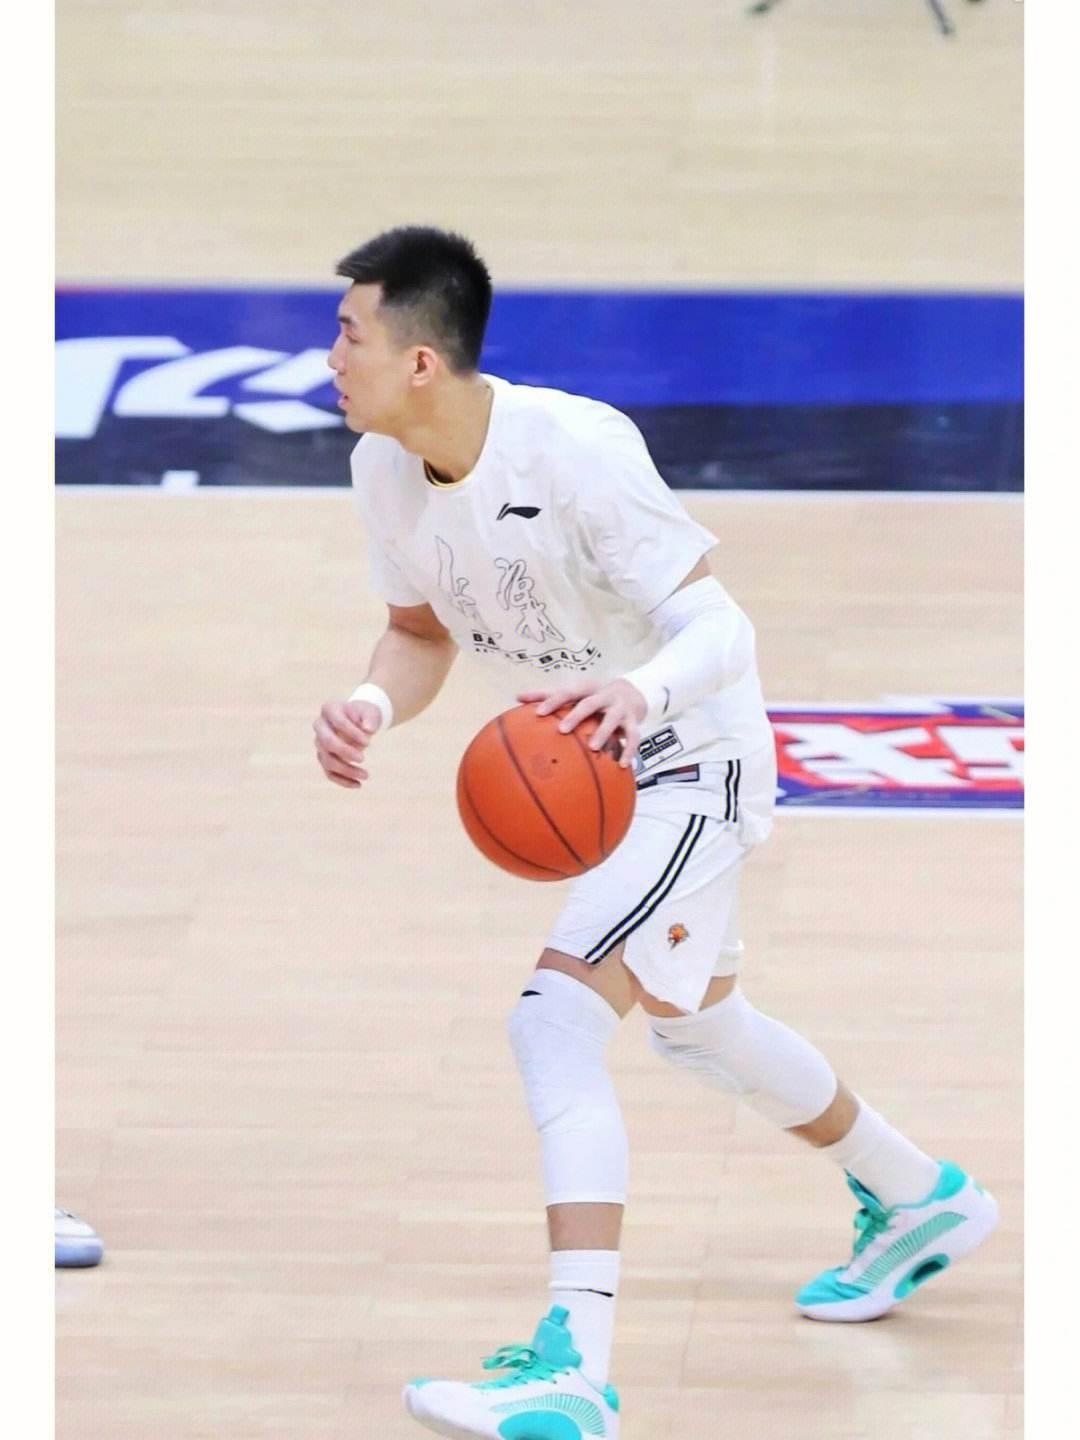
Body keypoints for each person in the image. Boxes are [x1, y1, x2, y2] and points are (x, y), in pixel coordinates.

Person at [315, 226, 998, 1440]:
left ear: (421, 359)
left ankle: (573, 1370)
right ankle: (919, 1196)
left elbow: (722, 629)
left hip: (689, 760)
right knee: (700, 1026)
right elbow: (417, 634)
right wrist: (370, 703)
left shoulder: (577, 448)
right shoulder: (382, 468)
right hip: (611, 774)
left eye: (348, 334)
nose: (331, 357)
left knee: (554, 1023)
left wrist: (639, 694)